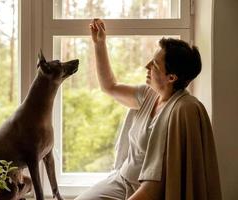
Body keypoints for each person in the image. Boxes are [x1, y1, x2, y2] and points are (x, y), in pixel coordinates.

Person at [75, 19, 222, 200]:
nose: (147, 67)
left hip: (146, 192)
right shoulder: (148, 95)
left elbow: (155, 187)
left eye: (155, 64)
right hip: (121, 181)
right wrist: (99, 44)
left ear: (171, 77)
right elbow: (109, 86)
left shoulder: (182, 111)